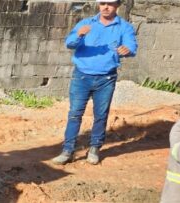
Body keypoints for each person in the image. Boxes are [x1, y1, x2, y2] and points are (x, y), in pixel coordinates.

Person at [51, 0, 137, 165]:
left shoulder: (124, 27)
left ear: (117, 5)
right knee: (75, 114)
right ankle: (67, 150)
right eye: (102, 3)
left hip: (106, 79)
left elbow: (131, 46)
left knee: (101, 116)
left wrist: (127, 50)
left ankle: (94, 149)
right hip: (81, 76)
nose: (105, 7)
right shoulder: (86, 23)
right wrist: (79, 35)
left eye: (110, 4)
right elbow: (69, 43)